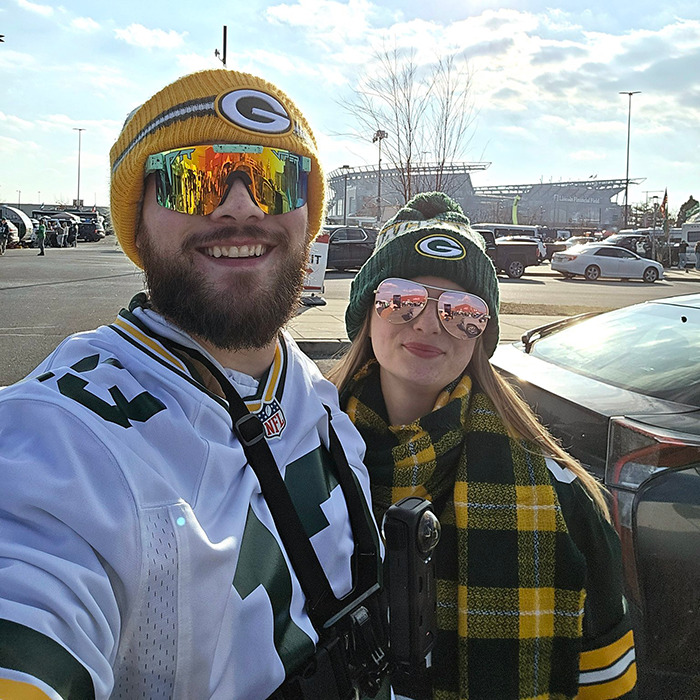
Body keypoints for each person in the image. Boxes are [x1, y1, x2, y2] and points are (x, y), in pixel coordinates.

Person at [0, 69, 386, 699]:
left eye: (272, 178)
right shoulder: (63, 437)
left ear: (307, 215)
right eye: (195, 178)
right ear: (138, 222)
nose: (240, 205)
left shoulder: (311, 392)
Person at [329, 193, 637, 700]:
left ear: (481, 334)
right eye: (403, 298)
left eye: (461, 310)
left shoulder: (568, 505)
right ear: (367, 311)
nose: (429, 322)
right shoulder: (296, 465)